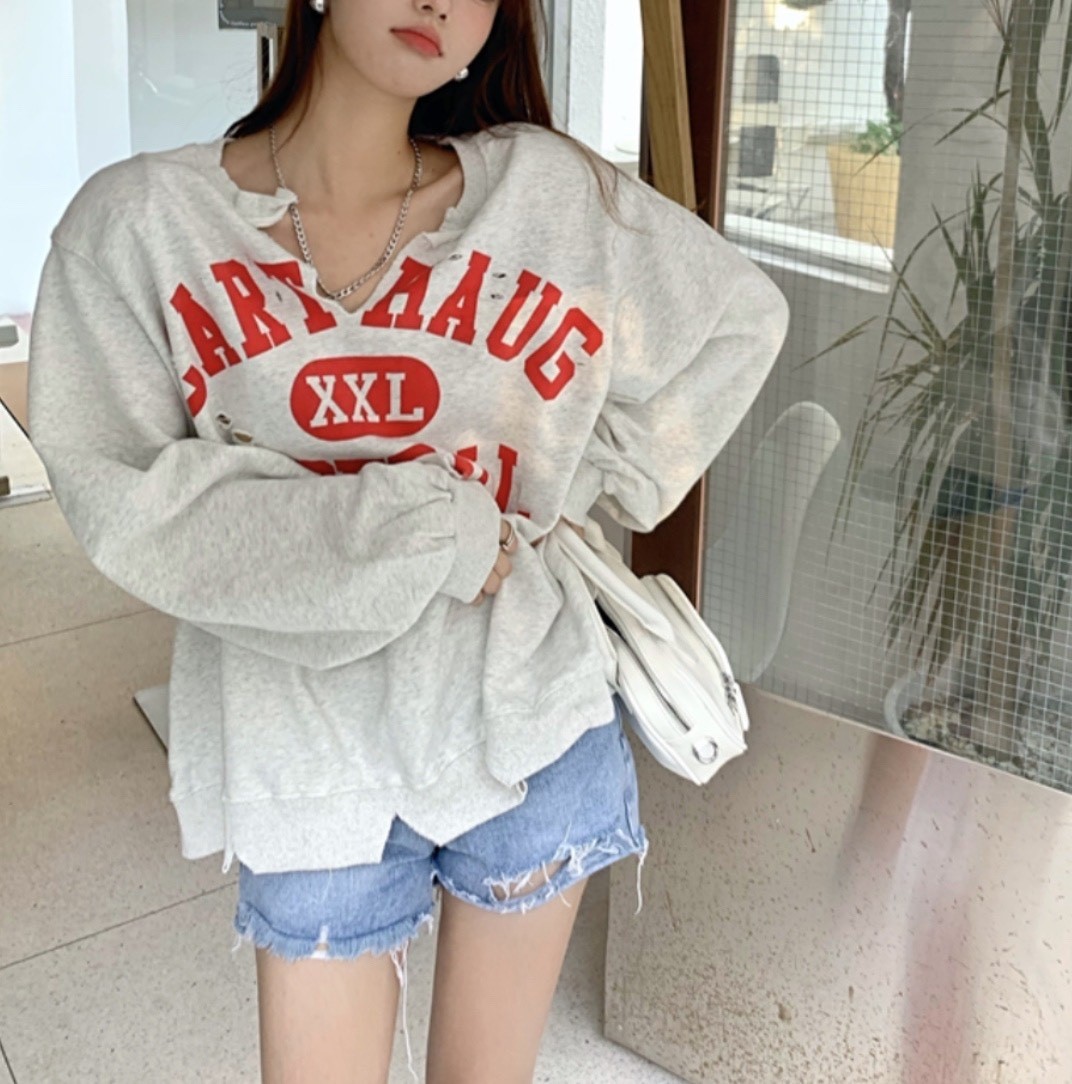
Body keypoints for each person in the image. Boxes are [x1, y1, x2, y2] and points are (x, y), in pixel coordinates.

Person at [26, 0, 789, 1080]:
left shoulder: (544, 193)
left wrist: (566, 492)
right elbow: (132, 507)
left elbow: (736, 321)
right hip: (304, 752)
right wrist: (434, 533)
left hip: (528, 718)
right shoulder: (141, 225)